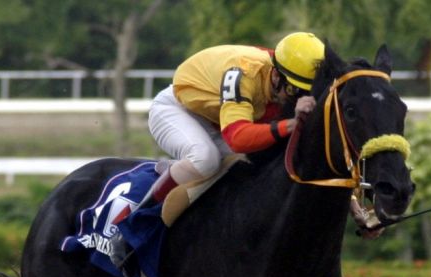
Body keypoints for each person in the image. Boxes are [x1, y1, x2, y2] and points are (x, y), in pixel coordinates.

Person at [110, 33, 324, 261]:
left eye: (304, 92)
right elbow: (237, 138)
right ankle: (130, 226)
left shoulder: (288, 73)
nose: (295, 99)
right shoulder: (243, 73)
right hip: (178, 109)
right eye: (293, 91)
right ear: (275, 74)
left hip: (219, 121)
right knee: (206, 158)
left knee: (256, 165)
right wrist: (289, 125)